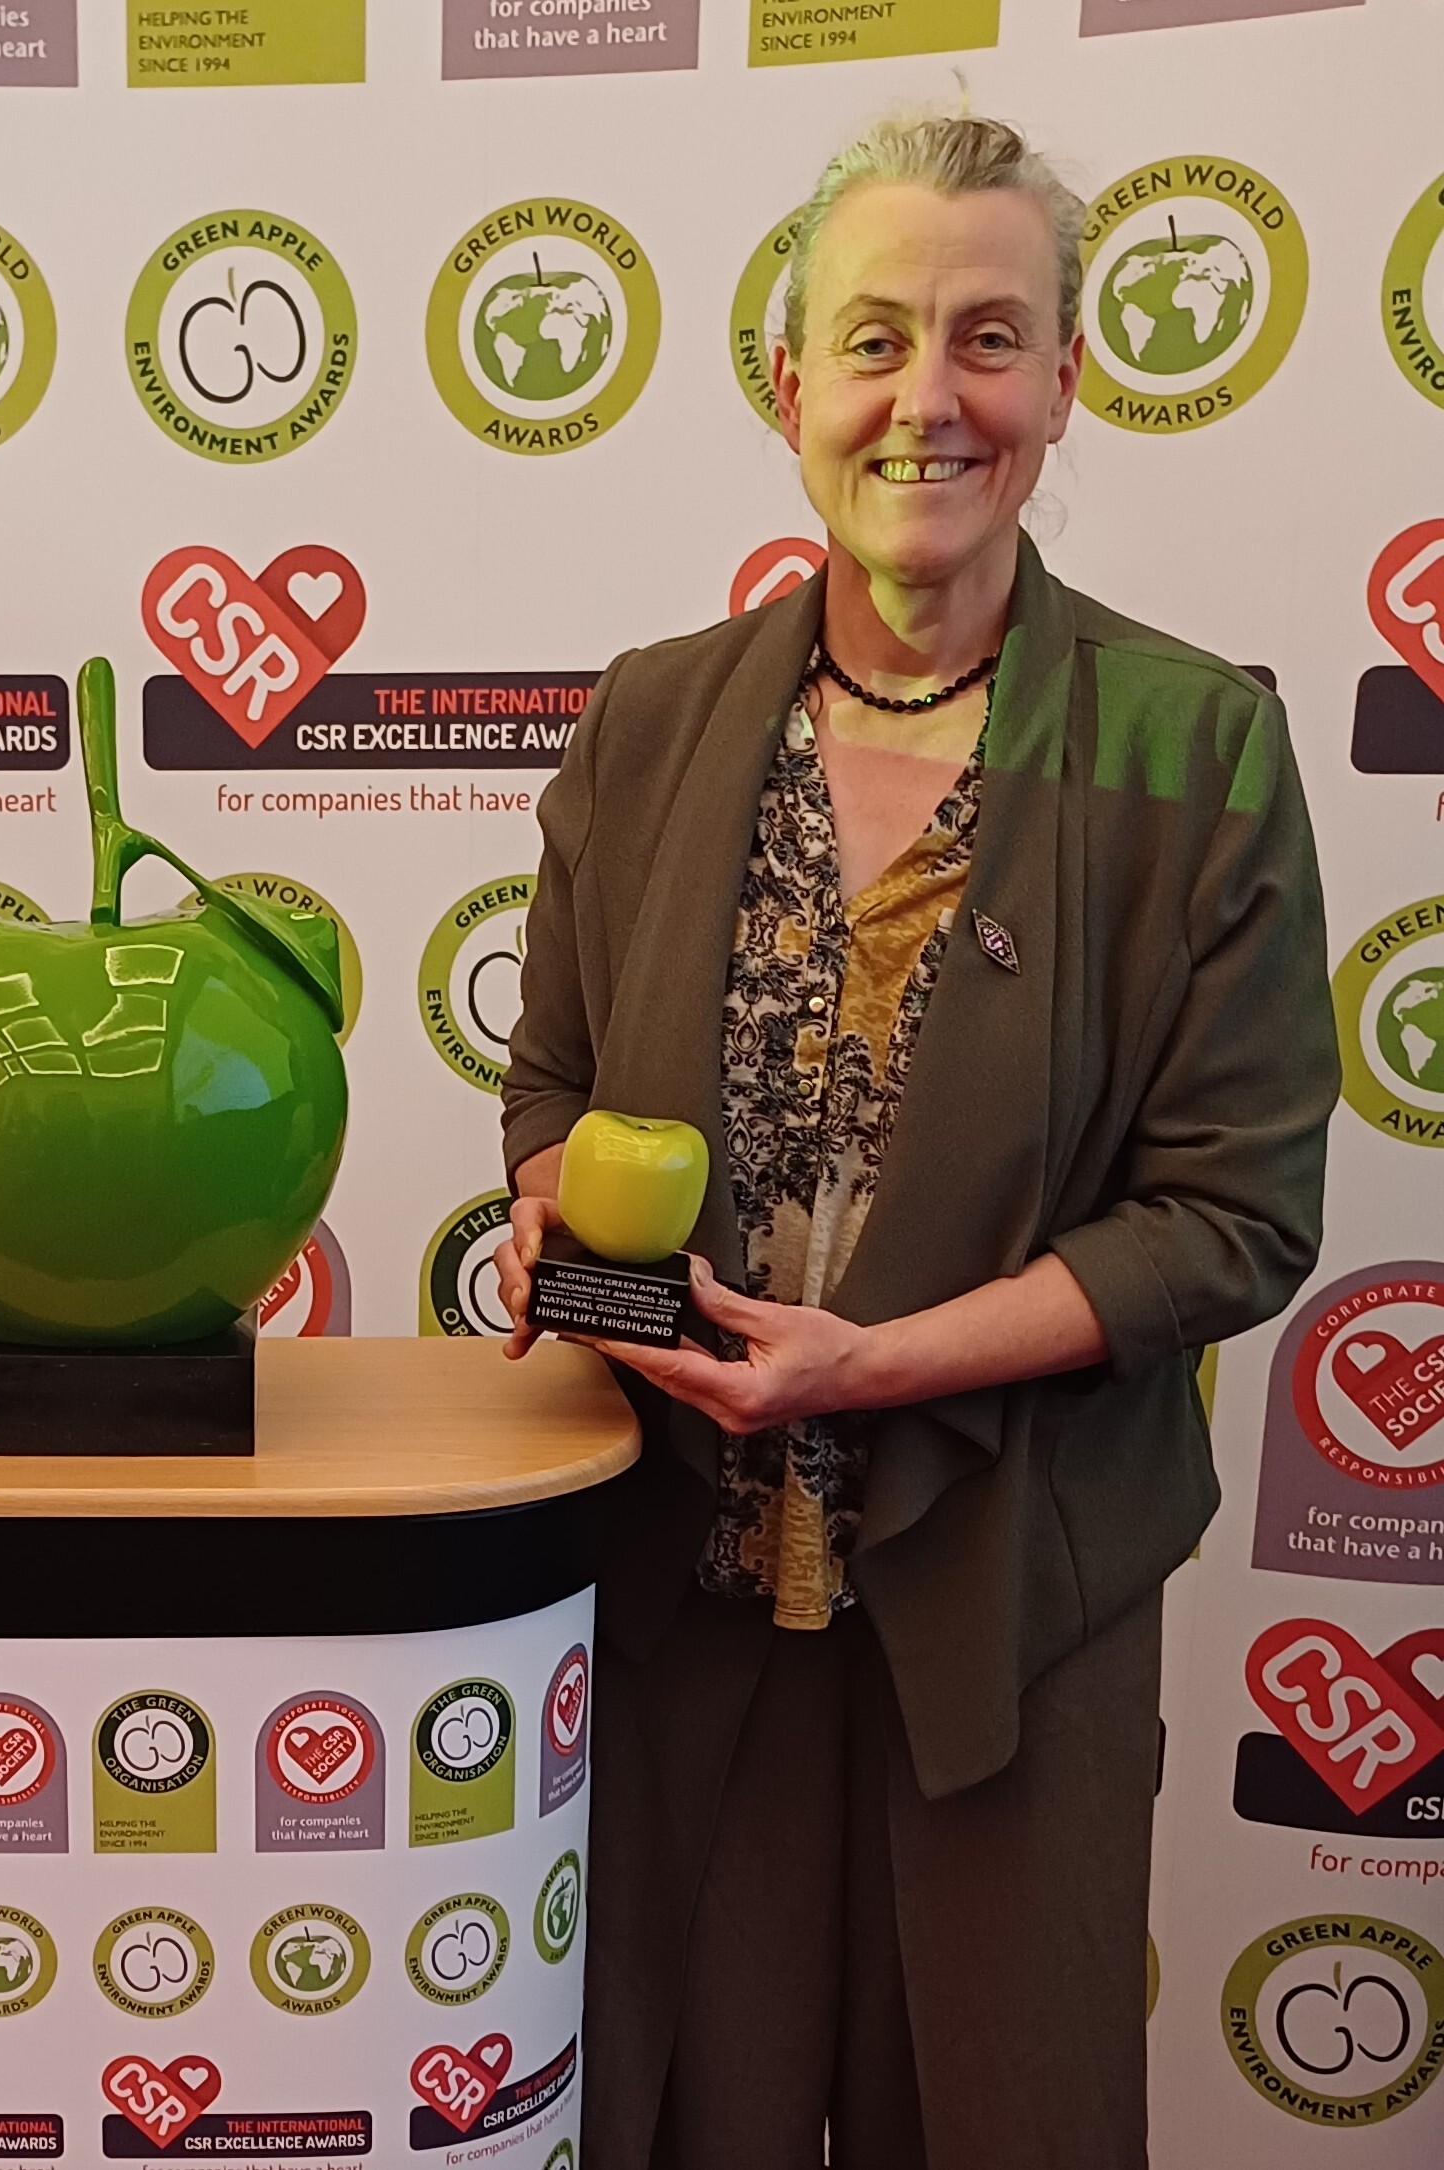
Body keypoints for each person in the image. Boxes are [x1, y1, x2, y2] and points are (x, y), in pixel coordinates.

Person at [494, 112, 1334, 2167]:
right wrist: (549, 1232)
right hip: (682, 1586)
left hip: (1014, 1610)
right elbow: (557, 1088)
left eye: (987, 336)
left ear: (1061, 384)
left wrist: (871, 1365)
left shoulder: (1188, 741)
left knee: (1005, 2115)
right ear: (789, 386)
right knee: (668, 2104)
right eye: (872, 339)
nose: (925, 397)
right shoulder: (654, 717)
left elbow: (1231, 1215)